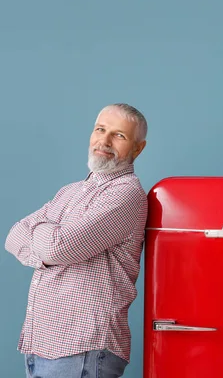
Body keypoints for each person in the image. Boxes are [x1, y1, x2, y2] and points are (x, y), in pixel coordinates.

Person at [4, 103, 149, 378]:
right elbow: (13, 235)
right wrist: (50, 241)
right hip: (42, 343)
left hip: (83, 349)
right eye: (100, 130)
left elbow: (57, 247)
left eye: (119, 135)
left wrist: (44, 239)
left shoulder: (125, 194)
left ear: (138, 148)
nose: (104, 141)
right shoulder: (70, 192)